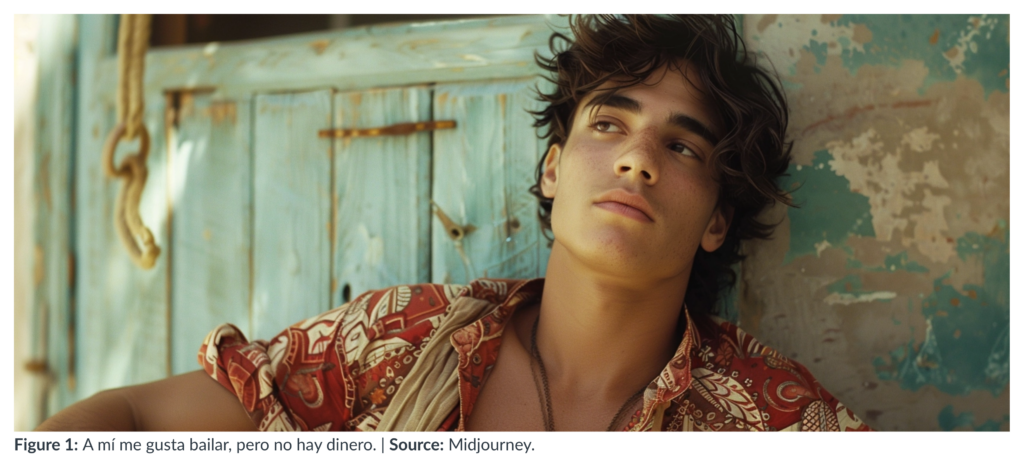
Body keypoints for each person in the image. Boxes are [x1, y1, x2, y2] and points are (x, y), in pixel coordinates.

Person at [37, 14, 871, 432]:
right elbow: (135, 424)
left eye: (682, 145)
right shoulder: (399, 345)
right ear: (553, 168)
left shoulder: (774, 419)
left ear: (719, 219)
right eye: (608, 124)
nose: (636, 159)